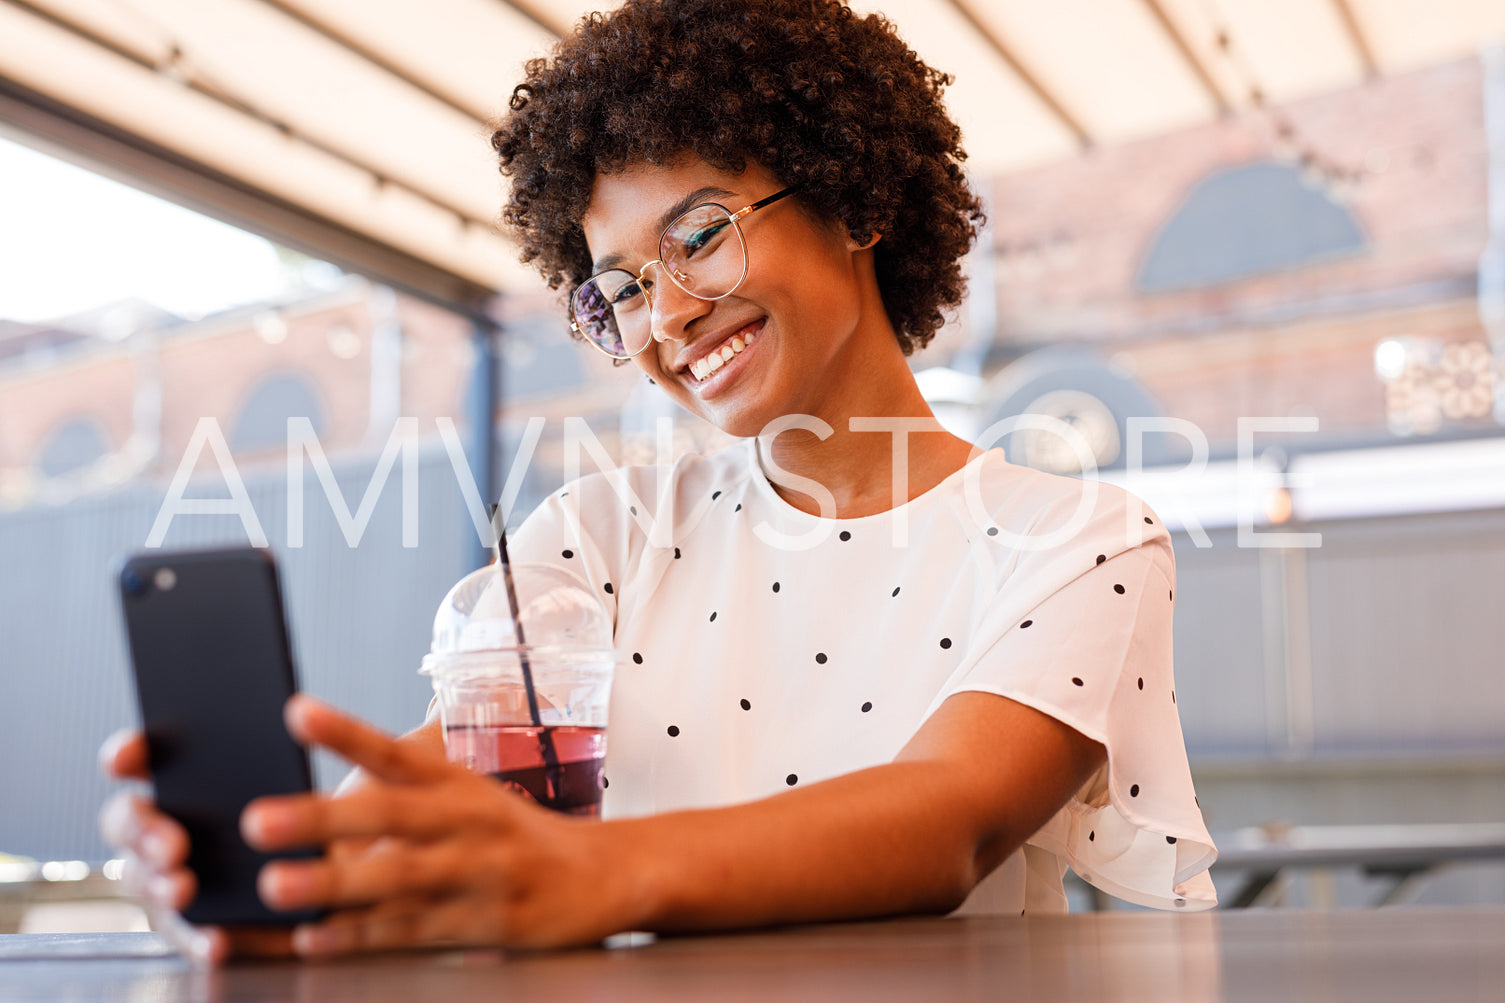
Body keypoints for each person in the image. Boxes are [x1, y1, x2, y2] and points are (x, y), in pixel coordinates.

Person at [100, 0, 1216, 963]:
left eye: (700, 234)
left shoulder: (1078, 540)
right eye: (620, 288)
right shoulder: (596, 535)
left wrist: (597, 874)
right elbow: (435, 814)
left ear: (857, 201)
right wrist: (306, 891)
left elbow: (949, 822)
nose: (669, 315)